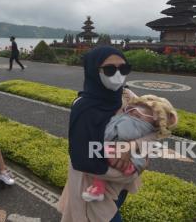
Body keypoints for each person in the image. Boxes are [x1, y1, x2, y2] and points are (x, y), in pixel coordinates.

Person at [58, 46, 145, 222]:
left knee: (117, 205)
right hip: (92, 185)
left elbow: (147, 129)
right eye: (110, 69)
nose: (118, 75)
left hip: (119, 184)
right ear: (93, 71)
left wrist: (130, 147)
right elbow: (82, 159)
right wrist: (130, 171)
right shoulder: (84, 109)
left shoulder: (126, 97)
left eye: (124, 68)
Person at [82, 94, 178, 202]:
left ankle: (98, 188)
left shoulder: (130, 109)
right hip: (100, 173)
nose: (132, 112)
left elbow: (153, 135)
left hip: (115, 175)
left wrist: (133, 145)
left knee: (108, 212)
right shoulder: (91, 99)